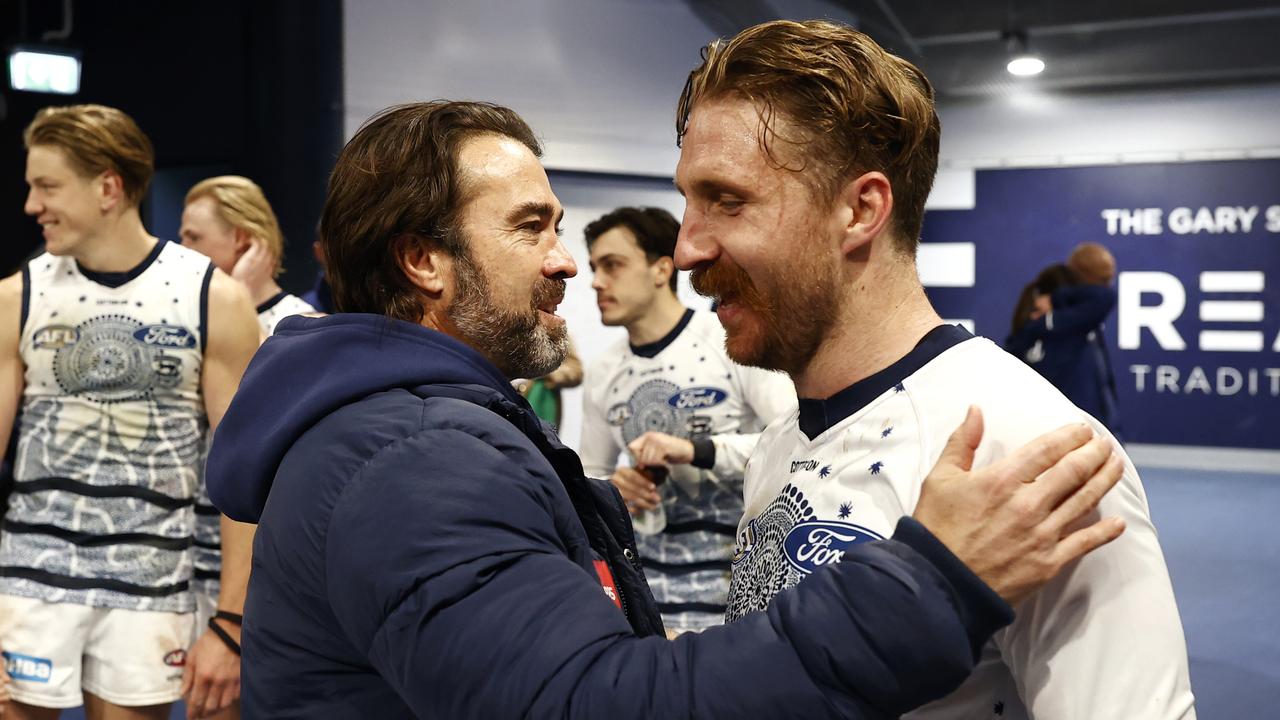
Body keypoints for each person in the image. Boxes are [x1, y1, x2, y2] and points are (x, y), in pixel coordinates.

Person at [204, 100, 1125, 718]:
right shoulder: (413, 453)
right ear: (425, 262)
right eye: (533, 227)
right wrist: (931, 584)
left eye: (728, 200)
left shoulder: (1016, 429)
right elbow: (596, 703)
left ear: (862, 211)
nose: (566, 262)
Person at [672, 20, 1193, 719]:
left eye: (727, 200)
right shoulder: (779, 444)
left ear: (860, 210)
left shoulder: (1032, 453)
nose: (685, 248)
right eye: (688, 200)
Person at [0, 105, 260, 719]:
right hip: (28, 583)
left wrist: (231, 622)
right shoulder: (18, 295)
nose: (31, 205)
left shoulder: (213, 298)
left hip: (150, 589)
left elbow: (243, 481)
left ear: (108, 188)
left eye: (47, 186)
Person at [580, 206, 794, 632]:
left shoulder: (729, 342)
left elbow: (796, 441)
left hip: (742, 593)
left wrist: (695, 450)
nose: (596, 282)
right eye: (594, 268)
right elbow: (587, 477)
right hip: (646, 602)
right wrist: (611, 488)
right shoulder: (604, 371)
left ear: (661, 270)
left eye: (613, 265)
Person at [1005, 244, 1123, 436]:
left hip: (1056, 433)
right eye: (1104, 279)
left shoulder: (1065, 324)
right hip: (1073, 433)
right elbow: (1106, 297)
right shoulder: (1074, 326)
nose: (1108, 284)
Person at [180, 176, 317, 337]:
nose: (182, 248)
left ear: (240, 238)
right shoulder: (194, 314)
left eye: (194, 237)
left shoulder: (302, 324)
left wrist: (240, 295)